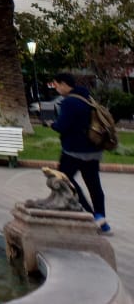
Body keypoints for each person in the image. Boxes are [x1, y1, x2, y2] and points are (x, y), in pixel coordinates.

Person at [48, 71, 110, 234]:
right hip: (93, 150)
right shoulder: (87, 98)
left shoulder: (69, 102)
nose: (56, 89)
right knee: (94, 184)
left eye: (56, 85)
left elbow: (62, 126)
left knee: (64, 179)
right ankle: (102, 220)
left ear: (63, 84)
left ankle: (90, 215)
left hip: (74, 151)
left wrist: (51, 125)